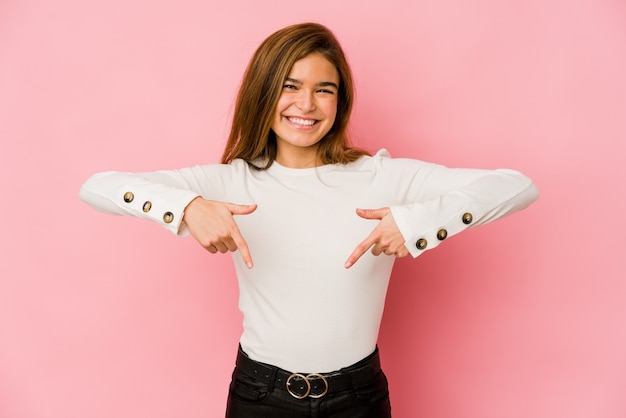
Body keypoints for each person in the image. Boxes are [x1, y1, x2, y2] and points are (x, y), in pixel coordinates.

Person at [80, 22, 538, 418]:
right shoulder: (230, 181)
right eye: (291, 86)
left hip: (358, 396)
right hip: (260, 397)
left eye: (325, 90)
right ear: (265, 91)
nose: (307, 104)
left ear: (340, 101)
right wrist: (186, 207)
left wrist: (420, 223)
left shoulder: (381, 176)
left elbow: (516, 185)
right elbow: (97, 186)